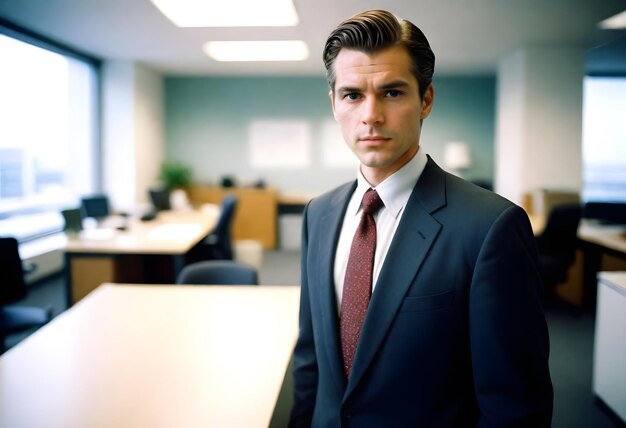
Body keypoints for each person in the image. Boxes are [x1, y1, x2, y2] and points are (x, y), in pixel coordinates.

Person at [289, 9, 553, 427]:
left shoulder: (490, 228)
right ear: (334, 103)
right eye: (353, 94)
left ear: (425, 99)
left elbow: (514, 407)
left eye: (392, 92)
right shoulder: (319, 214)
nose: (370, 115)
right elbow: (310, 359)